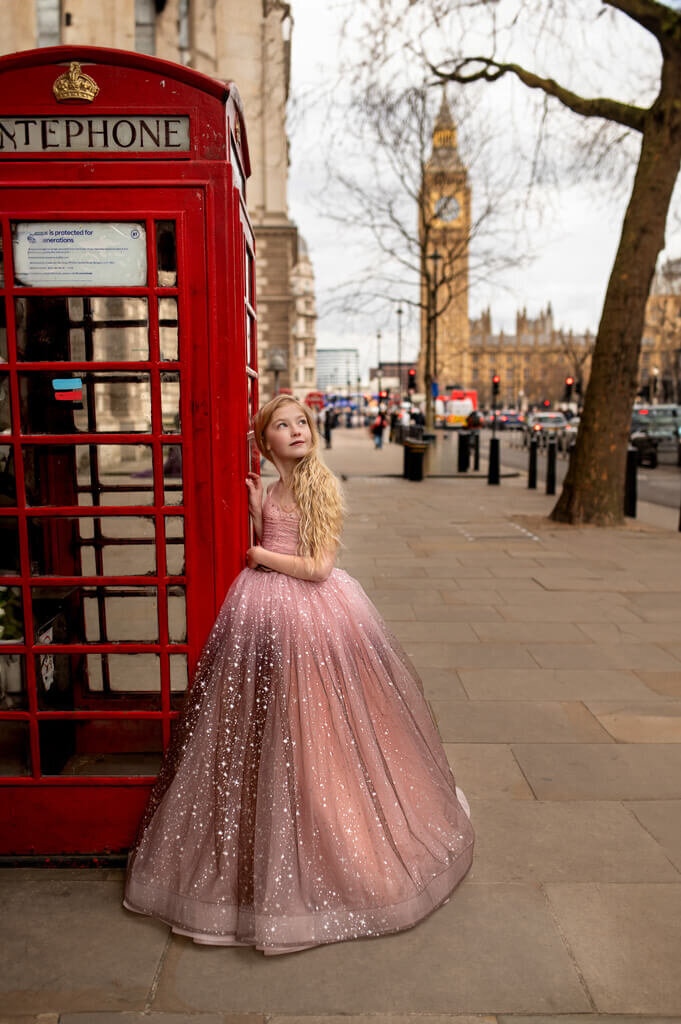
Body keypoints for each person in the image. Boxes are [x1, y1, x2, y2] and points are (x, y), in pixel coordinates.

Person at [122, 395, 474, 955]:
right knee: (260, 723)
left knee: (311, 724)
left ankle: (328, 830)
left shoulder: (319, 486)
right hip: (263, 611)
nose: (296, 430)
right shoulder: (273, 488)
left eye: (302, 422)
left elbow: (319, 567)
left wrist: (260, 554)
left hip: (310, 612)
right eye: (282, 425)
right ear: (264, 442)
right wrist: (259, 507)